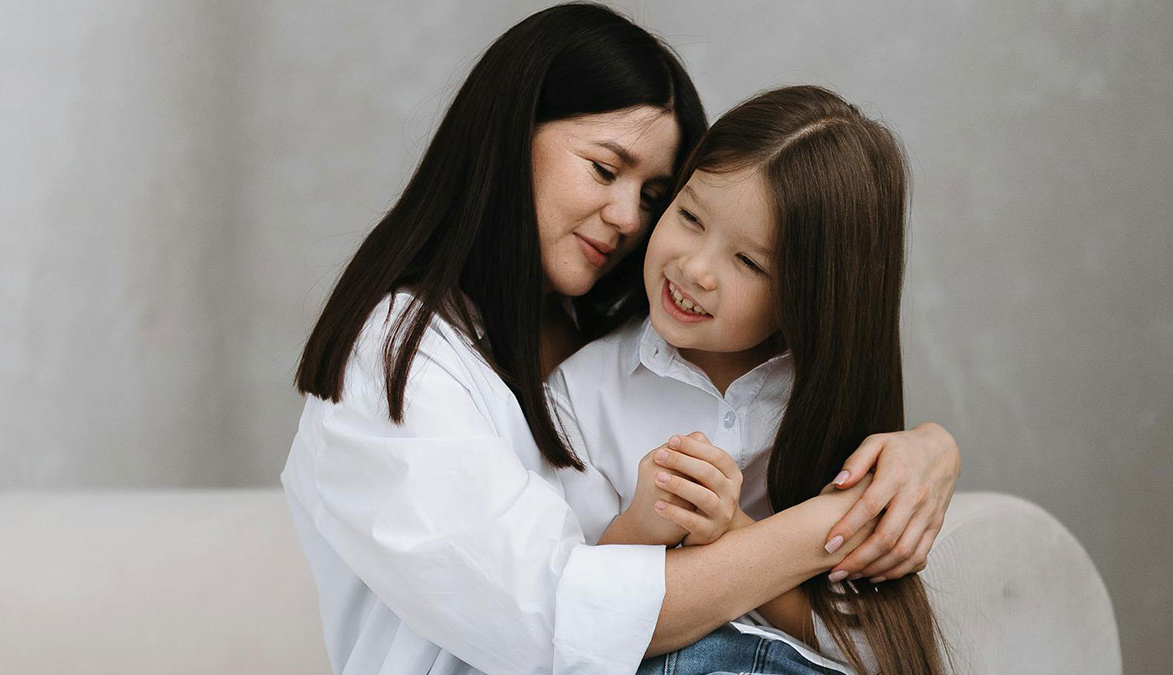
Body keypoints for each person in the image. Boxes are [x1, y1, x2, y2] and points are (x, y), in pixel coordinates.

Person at [281, 4, 959, 674]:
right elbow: (559, 624)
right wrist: (840, 520)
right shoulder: (397, 358)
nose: (627, 218)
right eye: (605, 170)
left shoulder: (623, 331)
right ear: (510, 134)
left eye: (654, 194)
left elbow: (884, 642)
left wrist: (926, 450)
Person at [549, 85, 956, 674]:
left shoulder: (821, 400)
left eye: (749, 262)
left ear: (810, 296)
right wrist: (644, 523)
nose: (695, 268)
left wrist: (729, 529)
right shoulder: (582, 394)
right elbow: (572, 622)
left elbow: (878, 651)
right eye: (688, 216)